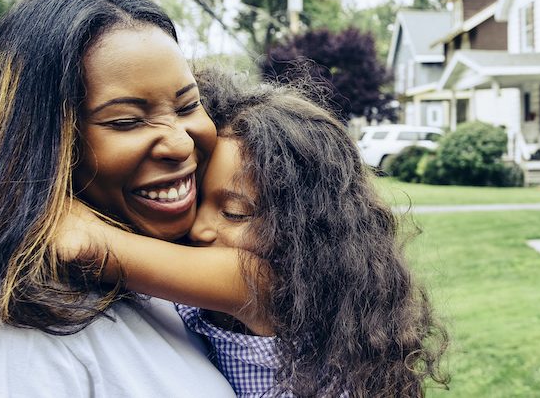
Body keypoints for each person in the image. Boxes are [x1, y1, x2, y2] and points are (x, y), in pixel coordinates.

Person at [0, 0, 236, 396]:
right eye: (126, 121)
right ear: (42, 145)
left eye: (187, 106)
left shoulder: (177, 258)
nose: (181, 144)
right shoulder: (15, 324)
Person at [57, 68, 449, 397]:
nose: (200, 228)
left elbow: (84, 244)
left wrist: (46, 184)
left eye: (234, 213)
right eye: (198, 198)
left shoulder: (262, 285)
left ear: (302, 233)